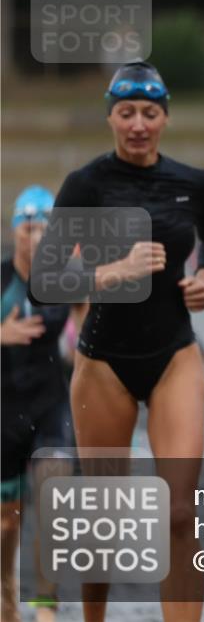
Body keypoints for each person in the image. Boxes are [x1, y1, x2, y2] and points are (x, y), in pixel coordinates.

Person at [31, 60, 204, 622]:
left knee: (180, 510)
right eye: (126, 113)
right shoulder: (86, 185)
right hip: (103, 364)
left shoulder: (194, 184)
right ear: (111, 119)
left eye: (149, 113)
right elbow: (43, 278)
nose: (138, 124)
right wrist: (111, 274)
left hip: (175, 356)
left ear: (165, 118)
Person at [1, 187, 77, 622]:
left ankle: (46, 606)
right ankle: (8, 604)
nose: (37, 238)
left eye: (45, 230)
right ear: (16, 233)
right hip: (3, 412)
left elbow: (92, 326)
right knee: (7, 524)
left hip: (50, 407)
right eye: (29, 228)